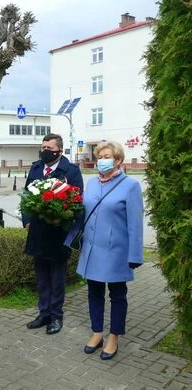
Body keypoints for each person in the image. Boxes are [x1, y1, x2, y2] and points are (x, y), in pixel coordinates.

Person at [76, 141, 143, 360]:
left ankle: (114, 337)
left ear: (117, 160)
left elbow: (135, 224)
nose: (101, 160)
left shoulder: (130, 186)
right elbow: (84, 213)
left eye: (106, 156)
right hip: (92, 249)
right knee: (94, 291)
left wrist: (135, 255)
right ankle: (97, 333)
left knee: (117, 295)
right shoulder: (92, 183)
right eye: (99, 156)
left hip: (115, 251)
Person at [23, 134, 83, 335]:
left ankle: (56, 316)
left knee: (57, 279)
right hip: (38, 232)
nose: (45, 151)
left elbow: (76, 201)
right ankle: (44, 314)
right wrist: (27, 220)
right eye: (43, 147)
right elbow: (26, 196)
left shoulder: (72, 171)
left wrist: (58, 216)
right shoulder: (36, 168)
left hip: (58, 233)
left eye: (49, 148)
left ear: (59, 150)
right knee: (41, 277)